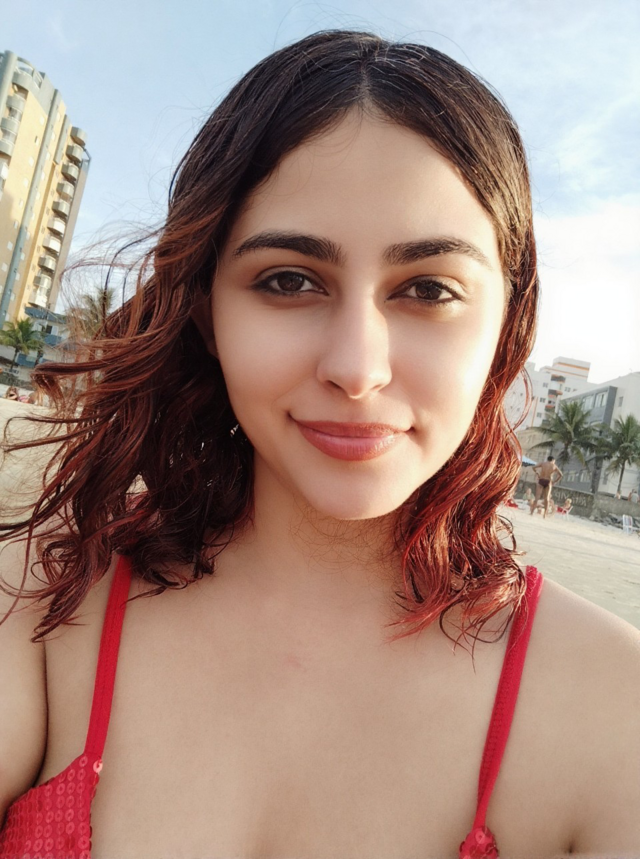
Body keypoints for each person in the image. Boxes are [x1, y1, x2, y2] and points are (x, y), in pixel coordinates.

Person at [0, 31, 639, 859]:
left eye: (428, 289)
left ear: (505, 328)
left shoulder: (611, 704)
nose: (356, 367)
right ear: (207, 310)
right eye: (289, 280)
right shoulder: (44, 599)